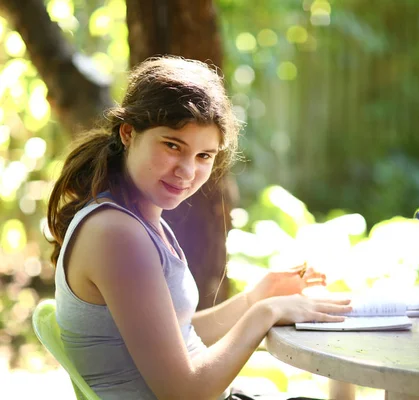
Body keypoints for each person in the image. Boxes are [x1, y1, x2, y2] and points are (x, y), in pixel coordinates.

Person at [46, 56, 351, 400]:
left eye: (204, 156)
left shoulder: (139, 218)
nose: (187, 171)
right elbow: (184, 392)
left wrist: (257, 296)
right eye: (173, 146)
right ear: (128, 133)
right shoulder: (116, 234)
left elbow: (180, 335)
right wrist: (268, 312)